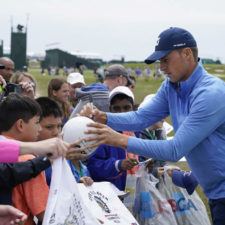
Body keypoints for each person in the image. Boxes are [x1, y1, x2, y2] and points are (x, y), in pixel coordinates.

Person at [80, 27, 225, 225]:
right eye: (160, 62)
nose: (162, 68)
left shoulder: (210, 93)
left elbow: (174, 150)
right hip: (217, 193)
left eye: (165, 60)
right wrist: (104, 118)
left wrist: (119, 139)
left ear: (187, 53)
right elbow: (141, 117)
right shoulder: (172, 85)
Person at [0, 94, 49, 225]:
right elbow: (45, 214)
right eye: (37, 122)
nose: (40, 129)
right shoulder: (28, 159)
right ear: (20, 124)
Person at [87, 86, 138, 190]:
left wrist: (146, 167)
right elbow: (93, 166)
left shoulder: (138, 132)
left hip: (135, 192)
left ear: (133, 108)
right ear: (110, 110)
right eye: (116, 108)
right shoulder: (103, 134)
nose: (121, 113)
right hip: (112, 196)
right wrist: (118, 165)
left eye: (126, 107)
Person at [36, 97, 92, 187]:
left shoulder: (64, 156)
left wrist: (78, 183)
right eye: (49, 127)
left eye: (59, 126)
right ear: (34, 125)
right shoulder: (29, 157)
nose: (56, 132)